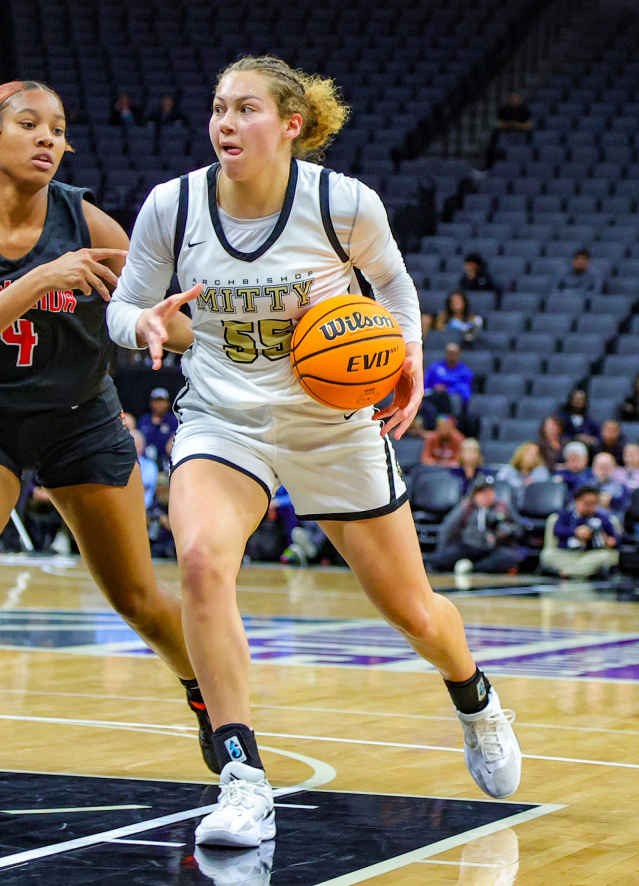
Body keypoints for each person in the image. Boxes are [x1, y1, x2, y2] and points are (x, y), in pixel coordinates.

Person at [106, 55, 520, 847]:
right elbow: (124, 308)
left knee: (412, 611)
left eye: (246, 109)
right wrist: (143, 326)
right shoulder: (174, 205)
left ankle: (475, 698)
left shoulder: (342, 204)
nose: (225, 123)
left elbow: (396, 292)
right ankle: (242, 779)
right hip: (224, 418)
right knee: (198, 561)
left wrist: (406, 360)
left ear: (291, 125)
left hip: (330, 424)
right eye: (219, 108)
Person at [0, 79, 216, 801]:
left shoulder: (88, 222)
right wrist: (41, 276)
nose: (48, 138)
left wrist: (155, 323)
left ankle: (206, 696)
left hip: (81, 415)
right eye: (29, 124)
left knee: (136, 598)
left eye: (58, 128)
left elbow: (172, 325)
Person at [428, 475, 523, 575]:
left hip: (493, 549)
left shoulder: (502, 508)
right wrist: (443, 549)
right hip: (468, 546)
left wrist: (506, 531)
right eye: (482, 492)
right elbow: (448, 528)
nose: (487, 495)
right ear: (475, 494)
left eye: (490, 491)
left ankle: (473, 568)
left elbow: (519, 528)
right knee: (443, 557)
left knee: (508, 557)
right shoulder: (467, 507)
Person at [539, 485, 620, 580]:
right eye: (586, 503)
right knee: (547, 555)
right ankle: (579, 573)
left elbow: (616, 540)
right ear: (577, 501)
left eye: (593, 503)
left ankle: (566, 573)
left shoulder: (602, 519)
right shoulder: (565, 515)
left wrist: (609, 541)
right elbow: (557, 531)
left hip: (588, 556)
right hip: (566, 554)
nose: (590, 507)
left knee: (603, 557)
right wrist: (575, 532)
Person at [424, 342, 474, 416]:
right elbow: (425, 385)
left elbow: (465, 391)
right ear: (445, 354)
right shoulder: (434, 368)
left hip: (451, 402)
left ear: (459, 355)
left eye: (454, 354)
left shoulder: (465, 372)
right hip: (433, 398)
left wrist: (447, 390)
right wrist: (435, 389)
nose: (452, 357)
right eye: (450, 354)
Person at [494, 441, 551, 505]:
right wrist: (522, 483)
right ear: (521, 454)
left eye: (536, 454)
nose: (533, 457)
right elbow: (498, 487)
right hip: (510, 506)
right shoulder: (508, 470)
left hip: (533, 507)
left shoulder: (541, 472)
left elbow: (545, 494)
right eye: (531, 453)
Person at [485, 91, 533, 168]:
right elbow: (499, 124)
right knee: (492, 147)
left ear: (520, 100)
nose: (514, 100)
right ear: (509, 100)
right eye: (512, 98)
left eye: (516, 98)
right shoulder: (503, 110)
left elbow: (528, 125)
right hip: (505, 134)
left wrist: (516, 125)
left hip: (520, 134)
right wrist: (510, 124)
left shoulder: (524, 110)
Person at [137, 387, 177, 466]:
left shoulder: (172, 420)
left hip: (166, 460)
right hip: (146, 459)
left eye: (162, 401)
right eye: (156, 401)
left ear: (167, 403)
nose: (159, 404)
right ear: (151, 403)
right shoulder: (144, 420)